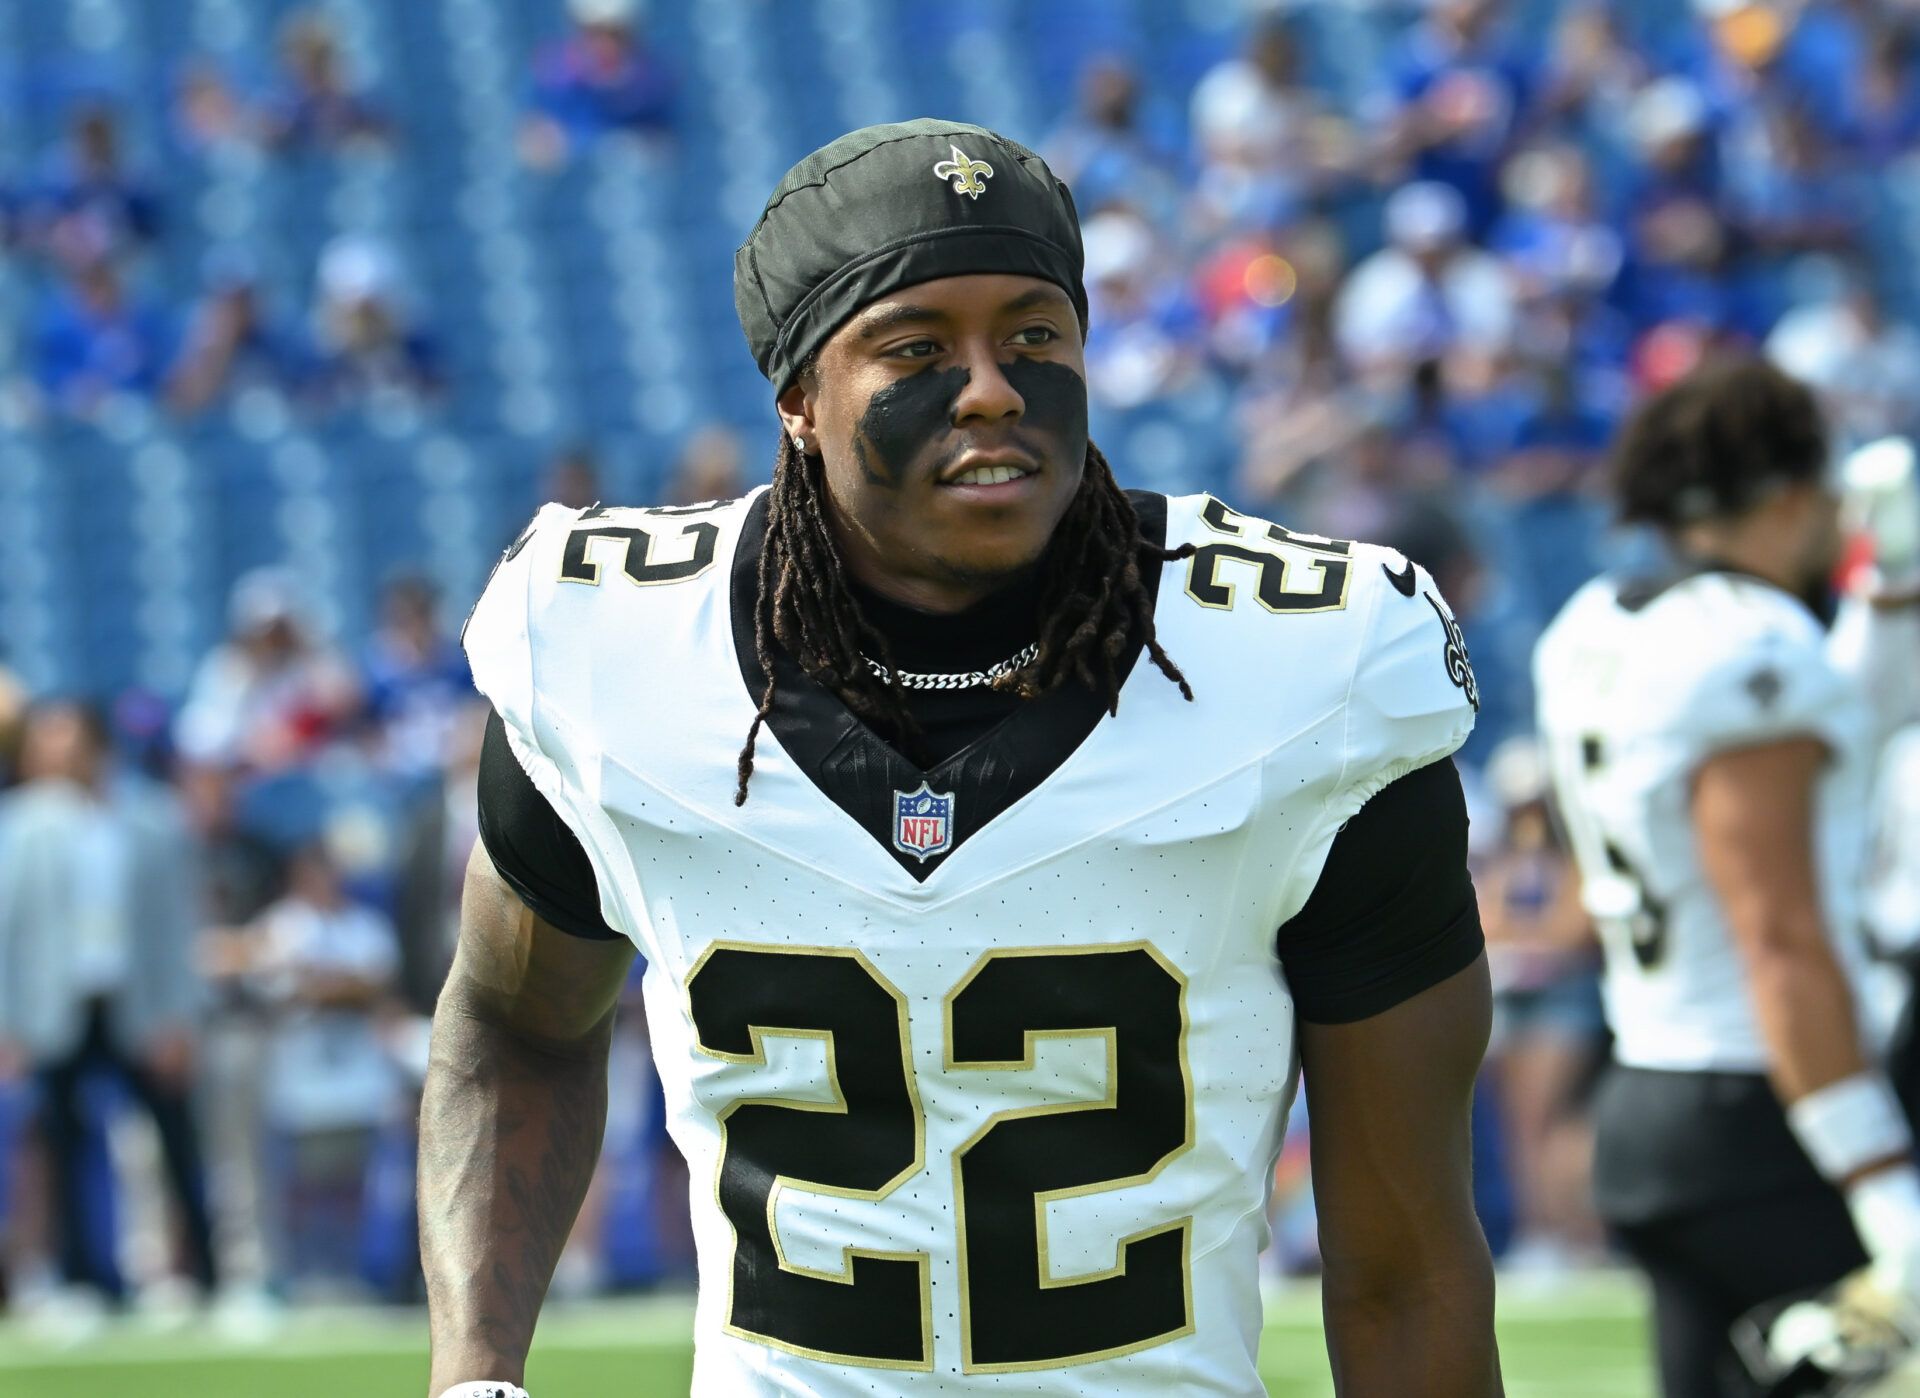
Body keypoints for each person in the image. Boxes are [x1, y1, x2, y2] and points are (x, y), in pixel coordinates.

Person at [424, 119, 1498, 1397]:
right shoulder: (611, 651)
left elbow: (1409, 1260)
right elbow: (511, 1026)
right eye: (917, 348)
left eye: (1035, 336)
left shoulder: (1305, 668)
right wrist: (476, 1376)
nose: (992, 387)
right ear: (798, 402)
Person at [1534, 358, 1920, 1396]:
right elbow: (1779, 939)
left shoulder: (1596, 623)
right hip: (1763, 1112)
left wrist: (1892, 598)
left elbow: (1827, 727)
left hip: (1651, 1099)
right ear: (1793, 497)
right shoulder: (1754, 644)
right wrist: (1882, 1179)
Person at [0, 700, 215, 1305]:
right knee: (64, 1144)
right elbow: (8, 930)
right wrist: (8, 1024)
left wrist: (180, 1015)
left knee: (176, 1139)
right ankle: (84, 1280)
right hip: (58, 1009)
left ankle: (209, 1275)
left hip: (140, 1005)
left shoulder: (151, 817)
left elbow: (177, 924)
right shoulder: (17, 825)